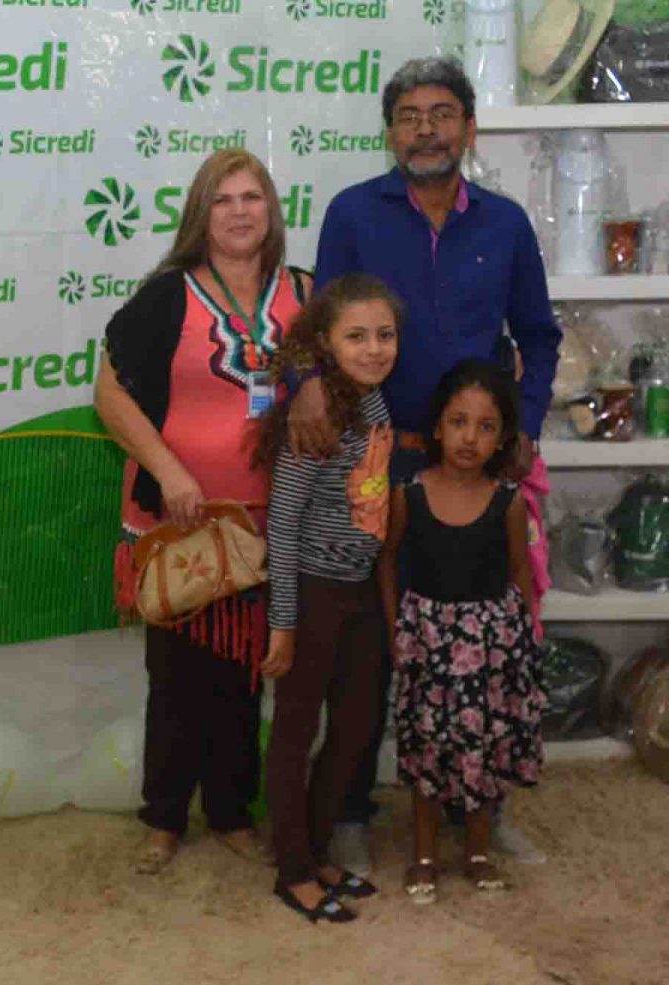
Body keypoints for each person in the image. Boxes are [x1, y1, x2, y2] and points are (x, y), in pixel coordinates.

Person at [289, 56, 560, 873]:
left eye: (442, 114)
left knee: (483, 643)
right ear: (390, 133)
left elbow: (539, 337)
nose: (425, 130)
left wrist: (525, 426)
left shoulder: (506, 224)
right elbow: (316, 327)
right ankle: (350, 811)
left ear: (469, 129)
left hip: (474, 472)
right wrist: (307, 384)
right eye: (408, 116)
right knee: (372, 647)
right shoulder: (352, 213)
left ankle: (484, 808)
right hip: (373, 464)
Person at [94, 149, 311, 874]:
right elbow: (109, 395)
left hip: (263, 523)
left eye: (252, 196)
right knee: (176, 675)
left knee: (245, 673)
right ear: (200, 214)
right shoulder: (169, 295)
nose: (240, 211)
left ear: (271, 209)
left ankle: (230, 811)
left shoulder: (305, 294)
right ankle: (163, 817)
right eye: (223, 199)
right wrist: (168, 471)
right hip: (179, 518)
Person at [253, 273, 401, 923]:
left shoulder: (376, 403)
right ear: (325, 345)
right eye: (356, 337)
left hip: (360, 589)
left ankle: (315, 850)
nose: (373, 349)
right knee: (295, 731)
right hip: (313, 592)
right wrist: (284, 624)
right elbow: (283, 524)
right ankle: (292, 870)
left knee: (356, 725)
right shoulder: (315, 420)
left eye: (385, 335)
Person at [378, 360, 545, 904]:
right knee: (428, 748)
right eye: (458, 422)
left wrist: (524, 638)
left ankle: (477, 851)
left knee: (482, 749)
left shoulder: (508, 501)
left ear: (502, 438)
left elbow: (520, 572)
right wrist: (395, 627)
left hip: (490, 648)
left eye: (486, 426)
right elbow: (388, 561)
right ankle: (424, 854)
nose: (470, 438)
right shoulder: (409, 493)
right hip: (428, 640)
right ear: (437, 427)